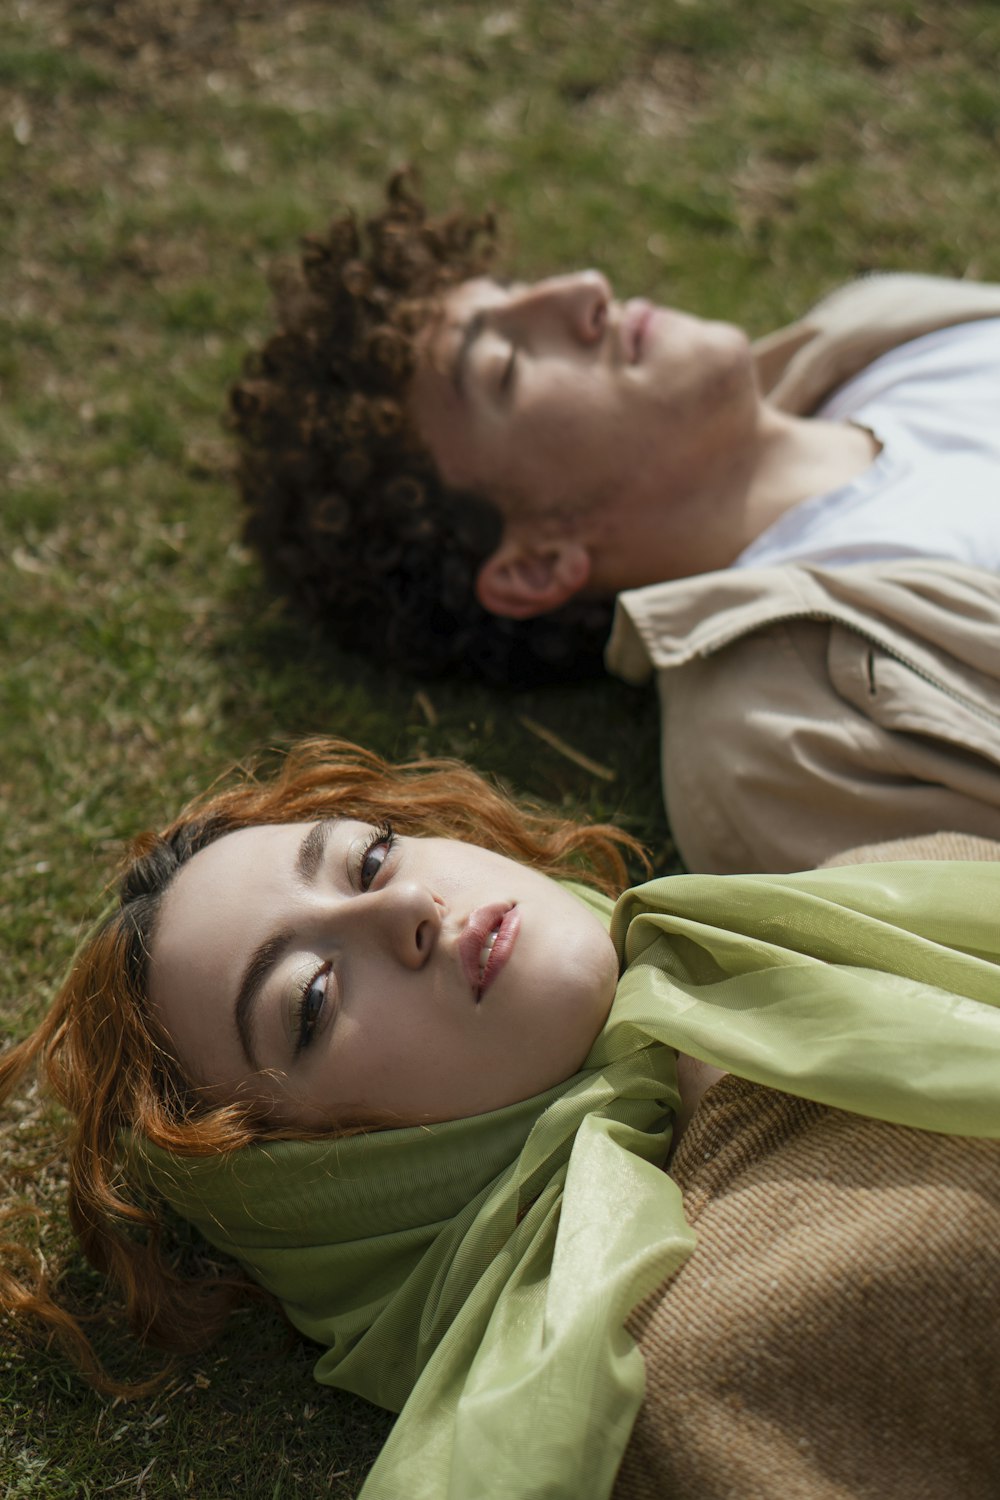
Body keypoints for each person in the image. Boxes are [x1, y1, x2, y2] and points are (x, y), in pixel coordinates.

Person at [3, 737, 1000, 1500]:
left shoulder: (868, 896)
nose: (408, 913)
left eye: (370, 859)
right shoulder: (690, 1364)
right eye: (310, 1000)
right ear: (318, 1185)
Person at [230, 171, 1000, 872]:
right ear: (535, 562)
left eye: (523, 286)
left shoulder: (887, 324)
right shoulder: (778, 742)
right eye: (507, 365)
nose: (584, 289)